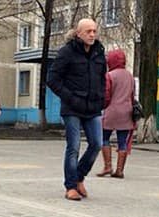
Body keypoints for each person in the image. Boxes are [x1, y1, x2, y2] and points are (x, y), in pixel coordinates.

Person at [47, 18, 106, 200]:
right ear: (78, 33)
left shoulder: (99, 52)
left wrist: (101, 97)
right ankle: (70, 186)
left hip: (92, 107)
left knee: (96, 143)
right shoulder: (67, 52)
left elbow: (103, 77)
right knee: (73, 146)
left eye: (94, 31)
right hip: (72, 107)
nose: (92, 34)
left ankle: (79, 176)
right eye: (88, 31)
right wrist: (70, 97)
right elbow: (53, 79)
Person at [98, 48, 135, 179]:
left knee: (104, 138)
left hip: (111, 110)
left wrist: (102, 106)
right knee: (122, 141)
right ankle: (120, 170)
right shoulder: (130, 76)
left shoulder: (109, 75)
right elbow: (132, 95)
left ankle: (108, 166)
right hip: (127, 111)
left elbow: (106, 95)